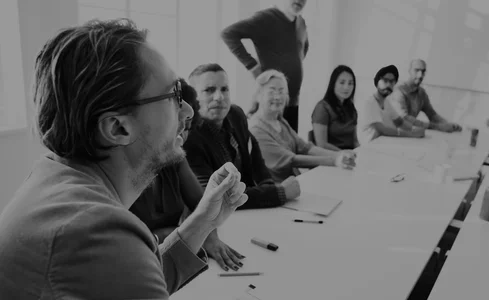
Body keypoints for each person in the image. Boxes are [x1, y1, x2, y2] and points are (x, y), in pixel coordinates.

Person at [0, 19, 248, 299]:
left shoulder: (54, 178)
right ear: (118, 127)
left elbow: (131, 282)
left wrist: (203, 220)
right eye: (174, 94)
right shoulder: (95, 231)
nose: (189, 111)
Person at [130, 80, 245, 272]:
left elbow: (204, 206)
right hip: (139, 267)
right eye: (179, 125)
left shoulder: (176, 158)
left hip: (166, 261)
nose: (183, 136)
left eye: (189, 128)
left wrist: (211, 237)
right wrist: (185, 231)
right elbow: (129, 241)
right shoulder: (125, 168)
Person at [184, 63, 301, 210]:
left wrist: (268, 186)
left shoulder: (235, 114)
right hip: (216, 221)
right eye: (209, 90)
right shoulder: (189, 137)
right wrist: (278, 193)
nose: (219, 97)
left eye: (224, 89)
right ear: (194, 98)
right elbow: (214, 197)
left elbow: (256, 160)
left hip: (248, 210)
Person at [248, 70, 356, 183]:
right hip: (277, 190)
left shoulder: (280, 121)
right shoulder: (256, 129)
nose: (278, 97)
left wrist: (339, 154)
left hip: (295, 182)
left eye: (281, 91)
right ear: (258, 95)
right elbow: (291, 160)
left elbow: (306, 148)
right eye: (272, 91)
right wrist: (334, 160)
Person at [221, 0, 309, 132]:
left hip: (292, 101)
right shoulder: (266, 18)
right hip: (270, 101)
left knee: (291, 147)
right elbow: (228, 34)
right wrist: (252, 66)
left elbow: (302, 48)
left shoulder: (301, 23)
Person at [386, 59, 463, 133]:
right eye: (416, 70)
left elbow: (432, 115)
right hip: (389, 134)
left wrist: (449, 124)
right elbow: (404, 119)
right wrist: (438, 127)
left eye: (423, 71)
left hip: (407, 134)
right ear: (409, 71)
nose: (420, 75)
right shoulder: (398, 91)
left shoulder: (421, 93)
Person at [359, 65, 425, 144]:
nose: (388, 85)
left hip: (383, 144)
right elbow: (383, 130)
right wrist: (412, 134)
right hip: (368, 148)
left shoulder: (386, 102)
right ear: (377, 82)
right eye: (385, 81)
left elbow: (400, 122)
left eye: (392, 81)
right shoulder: (370, 103)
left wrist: (414, 128)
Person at [310, 65, 359, 150]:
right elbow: (321, 145)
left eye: (350, 83)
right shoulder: (322, 108)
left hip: (349, 156)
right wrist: (345, 154)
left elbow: (355, 141)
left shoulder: (350, 107)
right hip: (330, 157)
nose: (346, 87)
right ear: (333, 84)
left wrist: (362, 153)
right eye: (342, 82)